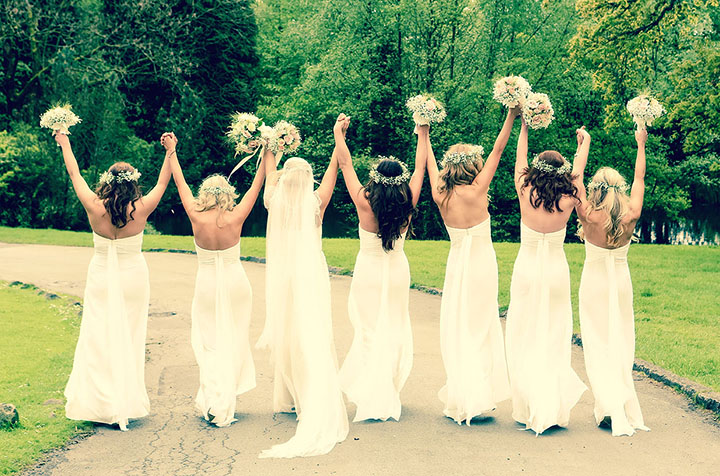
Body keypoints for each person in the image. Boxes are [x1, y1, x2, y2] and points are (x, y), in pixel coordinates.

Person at [57, 131, 172, 431]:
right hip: (134, 278)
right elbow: (163, 183)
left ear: (107, 181)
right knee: (129, 337)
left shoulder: (94, 206)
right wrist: (169, 152)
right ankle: (124, 400)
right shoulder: (141, 208)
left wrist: (65, 142)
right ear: (133, 183)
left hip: (100, 278)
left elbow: (74, 173)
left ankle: (101, 402)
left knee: (98, 336)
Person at [257, 115, 349, 458]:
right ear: (308, 179)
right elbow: (334, 170)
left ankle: (290, 395)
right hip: (310, 274)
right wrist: (338, 137)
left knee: (288, 331)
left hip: (283, 276)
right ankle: (309, 393)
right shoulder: (315, 203)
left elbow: (269, 171)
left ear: (286, 179)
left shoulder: (273, 200)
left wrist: (272, 144)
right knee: (311, 332)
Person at [425, 107, 521, 424]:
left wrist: (423, 132)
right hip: (481, 265)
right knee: (480, 326)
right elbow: (498, 149)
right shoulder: (478, 189)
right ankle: (477, 396)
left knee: (460, 326)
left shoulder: (440, 194)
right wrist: (511, 116)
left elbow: (428, 164)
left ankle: (464, 395)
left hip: (457, 266)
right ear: (472, 166)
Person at [163, 132, 265, 427]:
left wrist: (172, 151)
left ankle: (215, 399)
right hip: (236, 284)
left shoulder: (196, 215)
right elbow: (256, 186)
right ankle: (225, 397)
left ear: (204, 194)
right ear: (228, 194)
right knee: (234, 338)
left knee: (209, 343)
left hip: (207, 284)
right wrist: (267, 153)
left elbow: (180, 182)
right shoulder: (237, 215)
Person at [336, 117, 427, 422]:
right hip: (398, 271)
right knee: (394, 327)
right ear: (400, 181)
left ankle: (373, 390)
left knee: (368, 330)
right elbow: (420, 168)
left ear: (375, 178)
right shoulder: (408, 199)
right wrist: (423, 132)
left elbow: (345, 165)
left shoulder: (364, 200)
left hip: (368, 272)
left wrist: (339, 134)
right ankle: (386, 387)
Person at [504, 117, 588, 435]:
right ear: (563, 172)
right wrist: (583, 144)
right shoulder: (570, 196)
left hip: (526, 270)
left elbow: (519, 159)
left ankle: (528, 403)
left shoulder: (525, 189)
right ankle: (549, 404)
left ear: (536, 170)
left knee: (524, 333)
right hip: (555, 272)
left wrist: (524, 127)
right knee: (553, 336)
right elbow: (578, 173)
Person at [575, 127, 651, 436]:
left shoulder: (588, 213)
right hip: (620, 282)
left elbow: (575, 178)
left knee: (597, 342)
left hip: (594, 283)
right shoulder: (631, 212)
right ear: (620, 188)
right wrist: (640, 145)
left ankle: (607, 405)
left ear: (596, 189)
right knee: (621, 340)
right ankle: (618, 402)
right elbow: (640, 178)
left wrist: (584, 144)